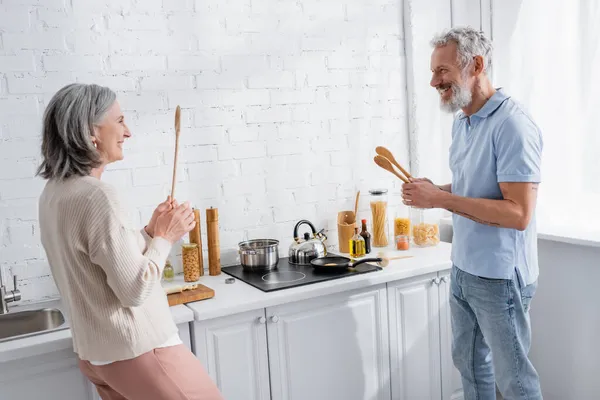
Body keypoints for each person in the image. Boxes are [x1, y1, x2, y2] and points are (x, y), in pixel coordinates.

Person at [37, 83, 224, 400]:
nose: (128, 132)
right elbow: (135, 289)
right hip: (140, 352)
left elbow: (100, 257)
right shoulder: (98, 196)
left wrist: (150, 232)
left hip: (97, 359)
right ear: (90, 131)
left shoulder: (53, 194)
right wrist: (165, 238)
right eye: (120, 120)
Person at [401, 27, 543, 399]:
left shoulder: (512, 125)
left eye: (442, 71)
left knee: (515, 382)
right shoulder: (463, 120)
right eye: (433, 72)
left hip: (499, 277)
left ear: (476, 65)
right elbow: (474, 188)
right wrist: (436, 190)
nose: (434, 81)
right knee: (470, 367)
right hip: (464, 268)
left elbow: (518, 213)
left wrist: (440, 200)